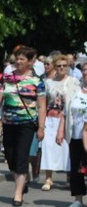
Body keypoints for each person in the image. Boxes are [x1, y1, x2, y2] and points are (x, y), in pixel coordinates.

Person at [0, 46, 46, 207]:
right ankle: (22, 180)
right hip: (8, 123)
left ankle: (17, 194)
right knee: (11, 158)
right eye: (17, 58)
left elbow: (41, 107)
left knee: (21, 157)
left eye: (22, 59)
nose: (18, 61)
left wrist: (41, 127)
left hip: (27, 124)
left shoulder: (37, 81)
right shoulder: (6, 79)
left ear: (30, 62)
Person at [40, 54, 79, 191]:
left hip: (67, 119)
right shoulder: (48, 82)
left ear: (68, 67)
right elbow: (43, 103)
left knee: (66, 149)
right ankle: (48, 178)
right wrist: (42, 121)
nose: (62, 68)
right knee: (48, 147)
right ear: (54, 67)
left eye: (64, 66)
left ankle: (68, 177)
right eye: (59, 66)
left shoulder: (73, 81)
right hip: (50, 118)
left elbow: (75, 102)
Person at [66, 64, 87, 207]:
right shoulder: (75, 91)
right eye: (84, 69)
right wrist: (61, 131)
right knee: (76, 169)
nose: (85, 72)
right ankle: (78, 200)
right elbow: (66, 112)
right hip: (76, 135)